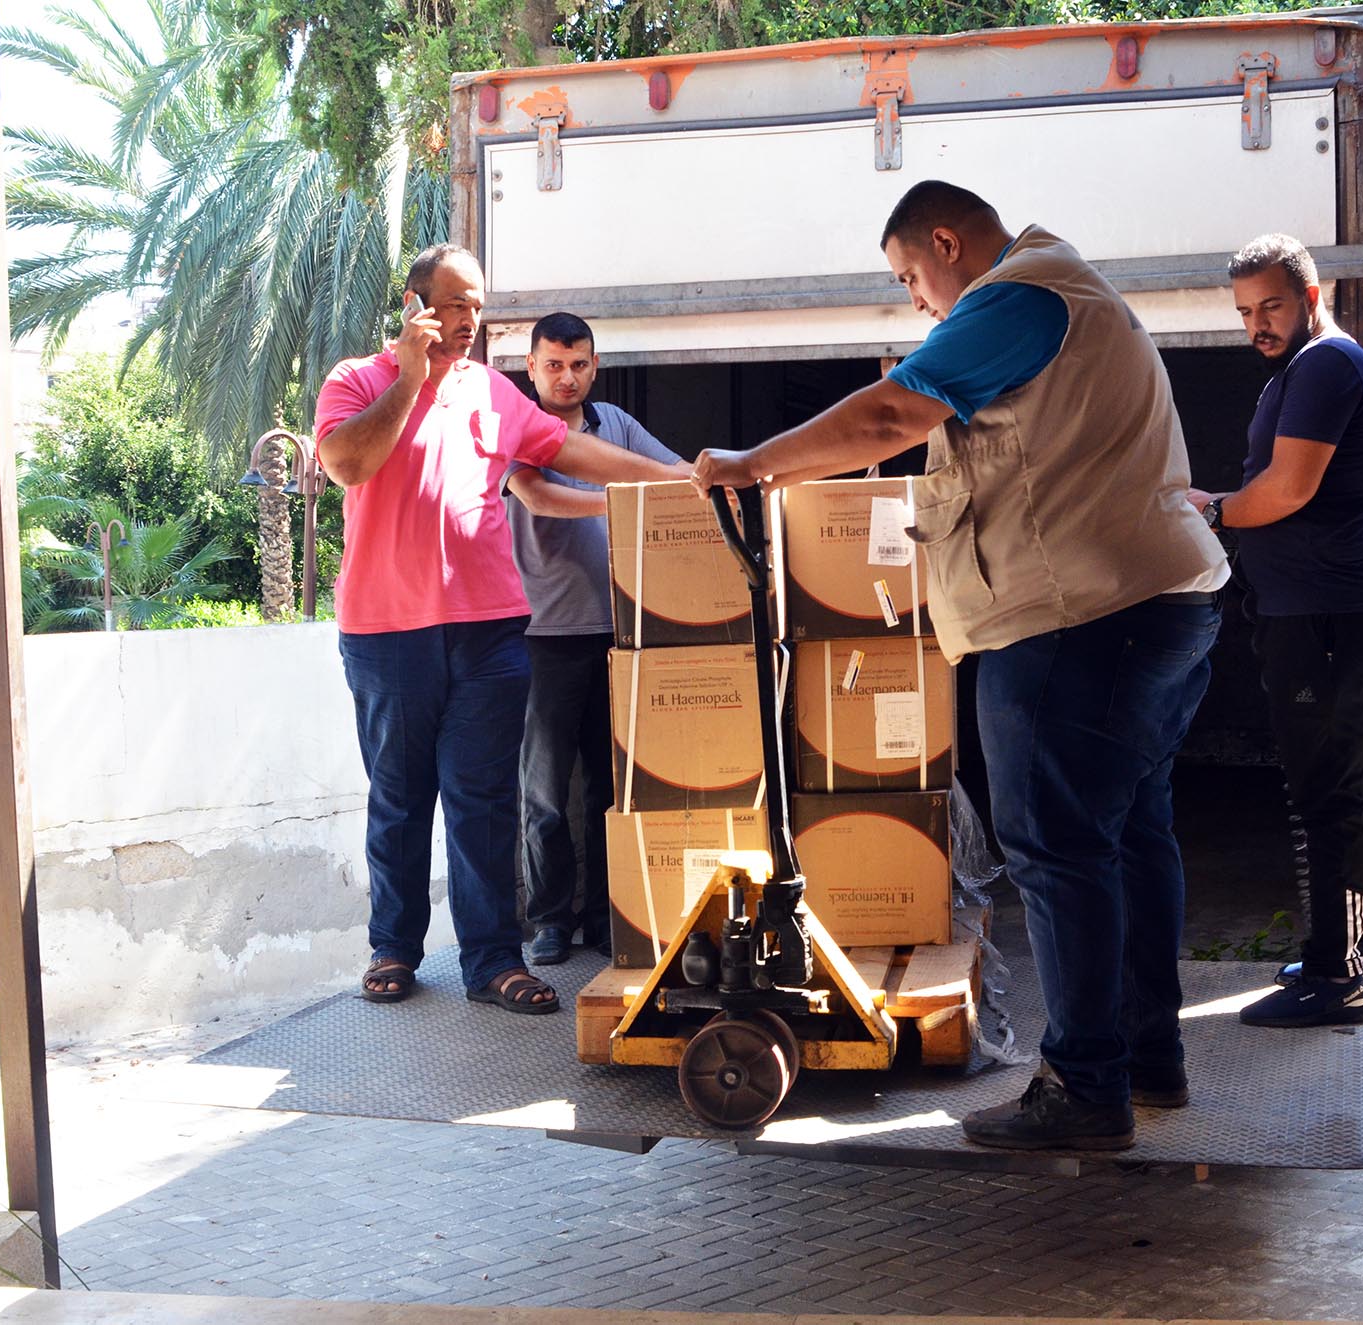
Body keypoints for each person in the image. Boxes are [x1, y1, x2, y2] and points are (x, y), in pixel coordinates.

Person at [692, 181, 1227, 1151]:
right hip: (1157, 603)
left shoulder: (1017, 296)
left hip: (1078, 615)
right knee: (1127, 839)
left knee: (1059, 849)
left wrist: (752, 463)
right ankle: (1146, 1058)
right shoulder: (1073, 295)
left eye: (909, 275)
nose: (915, 300)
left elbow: (884, 416)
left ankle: (1082, 1087)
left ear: (945, 241)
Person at [314, 244, 689, 1015]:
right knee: (399, 796)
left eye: (477, 305)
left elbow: (568, 450)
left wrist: (676, 477)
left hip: (490, 632)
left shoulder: (493, 392)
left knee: (485, 801)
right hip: (388, 633)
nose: (467, 320)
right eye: (453, 304)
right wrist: (412, 384)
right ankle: (394, 947)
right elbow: (348, 463)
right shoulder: (356, 381)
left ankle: (491, 958)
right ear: (415, 305)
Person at [1187, 233, 1363, 1030]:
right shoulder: (1313, 367)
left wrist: (1209, 505)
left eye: (1272, 305)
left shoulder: (1324, 366)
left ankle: (1337, 977)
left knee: (1327, 793)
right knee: (1349, 779)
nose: (1258, 324)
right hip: (1326, 608)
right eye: (1246, 311)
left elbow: (1284, 489)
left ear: (1311, 297)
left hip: (1322, 613)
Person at [505, 312, 683, 965]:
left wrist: (725, 478)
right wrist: (624, 495)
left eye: (578, 363)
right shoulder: (515, 428)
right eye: (553, 364)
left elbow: (674, 472)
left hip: (618, 629)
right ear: (531, 368)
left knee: (613, 789)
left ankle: (611, 917)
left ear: (594, 364)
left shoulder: (617, 426)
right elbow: (541, 496)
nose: (567, 375)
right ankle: (550, 919)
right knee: (546, 792)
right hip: (542, 635)